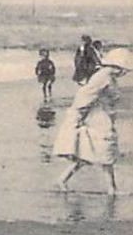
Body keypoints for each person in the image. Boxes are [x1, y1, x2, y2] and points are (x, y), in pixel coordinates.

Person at [55, 47, 129, 193]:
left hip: (102, 115)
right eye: (124, 69)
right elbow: (85, 96)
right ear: (117, 66)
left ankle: (62, 180)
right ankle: (111, 188)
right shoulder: (103, 77)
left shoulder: (108, 76)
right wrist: (76, 117)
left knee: (87, 153)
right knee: (106, 148)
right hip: (97, 118)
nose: (125, 73)